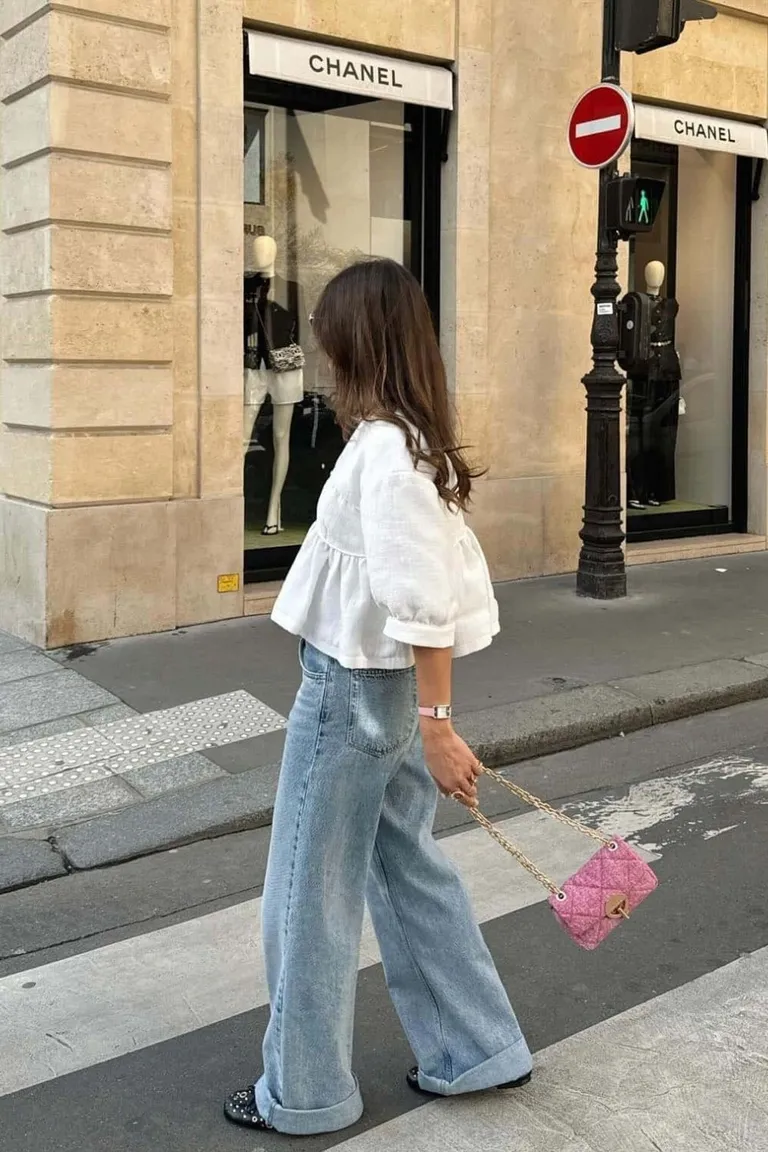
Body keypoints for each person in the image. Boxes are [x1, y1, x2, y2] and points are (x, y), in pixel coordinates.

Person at [224, 258, 533, 1136]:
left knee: (304, 894)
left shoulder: (391, 456)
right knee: (405, 873)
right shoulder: (404, 440)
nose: (320, 355)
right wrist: (425, 721)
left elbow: (422, 604)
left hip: (352, 695)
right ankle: (476, 1046)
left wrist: (438, 728)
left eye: (330, 338)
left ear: (358, 341)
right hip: (381, 697)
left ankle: (305, 1091)